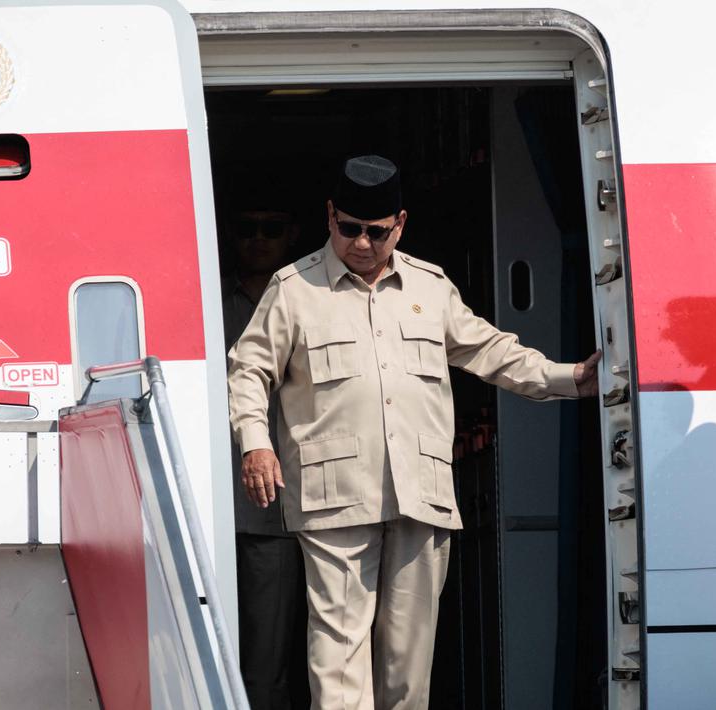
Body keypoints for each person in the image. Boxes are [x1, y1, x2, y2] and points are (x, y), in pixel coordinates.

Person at [226, 154, 600, 710]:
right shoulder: (294, 287)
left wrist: (568, 378)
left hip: (420, 490)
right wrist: (256, 443)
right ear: (329, 216)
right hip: (335, 496)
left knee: (409, 662)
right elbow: (249, 369)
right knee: (338, 656)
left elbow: (492, 352)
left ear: (399, 224)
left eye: (376, 232)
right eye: (348, 227)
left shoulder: (430, 286)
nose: (361, 243)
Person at [220, 200, 310, 710]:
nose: (258, 238)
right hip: (210, 501)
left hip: (277, 509)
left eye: (271, 227)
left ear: (291, 233)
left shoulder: (308, 296)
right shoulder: (208, 300)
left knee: (266, 667)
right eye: (246, 227)